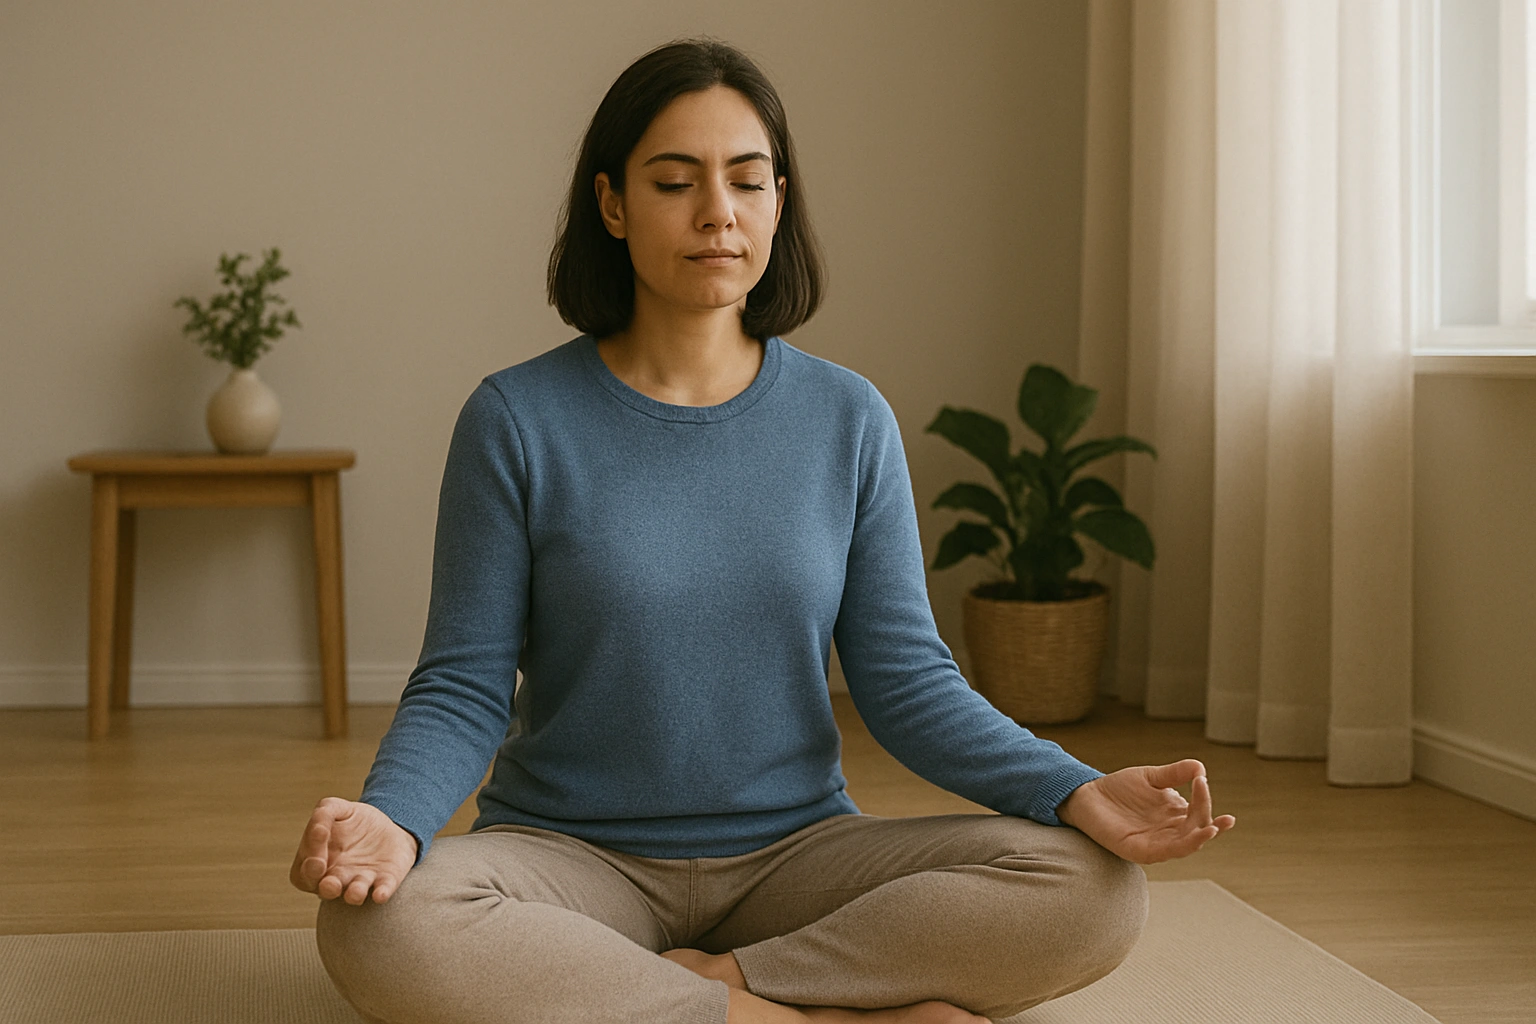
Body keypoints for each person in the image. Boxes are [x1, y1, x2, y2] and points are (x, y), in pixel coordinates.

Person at [290, 36, 1236, 1024]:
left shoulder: (848, 417)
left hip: (798, 857)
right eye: (674, 182)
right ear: (611, 204)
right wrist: (391, 820)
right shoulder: (517, 419)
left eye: (748, 181)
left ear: (780, 201)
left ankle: (720, 991)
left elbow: (908, 684)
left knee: (1094, 887)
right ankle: (801, 1009)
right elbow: (462, 683)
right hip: (571, 859)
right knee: (379, 923)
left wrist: (1076, 789)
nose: (718, 214)